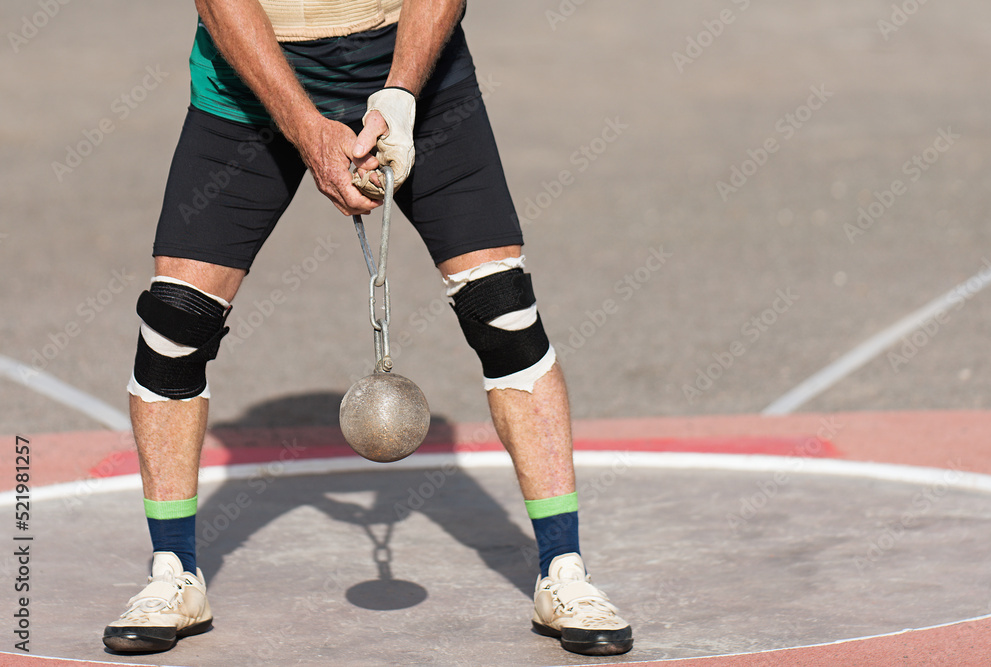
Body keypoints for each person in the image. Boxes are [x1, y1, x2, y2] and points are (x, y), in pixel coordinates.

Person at [102, 0, 632, 657]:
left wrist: (403, 93)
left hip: (411, 68)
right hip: (252, 79)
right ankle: (173, 570)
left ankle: (564, 569)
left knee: (504, 311)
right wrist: (306, 129)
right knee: (176, 324)